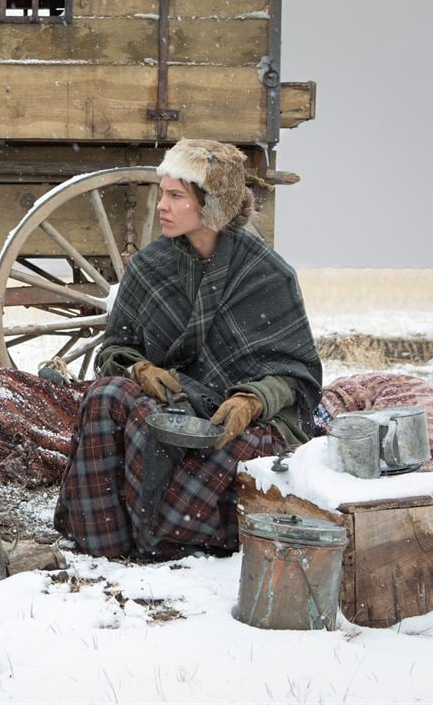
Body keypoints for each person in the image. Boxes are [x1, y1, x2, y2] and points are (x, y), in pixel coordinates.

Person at [53, 139, 322, 559]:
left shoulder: (268, 275)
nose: (162, 205)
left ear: (212, 204)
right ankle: (105, 543)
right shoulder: (149, 267)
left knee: (235, 453)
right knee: (106, 398)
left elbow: (296, 376)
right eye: (162, 193)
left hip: (233, 420)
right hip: (169, 405)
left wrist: (251, 401)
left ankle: (170, 540)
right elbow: (114, 351)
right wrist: (140, 369)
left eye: (176, 196)